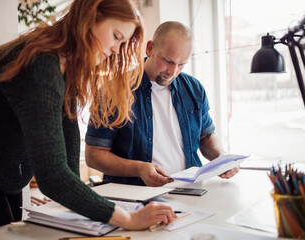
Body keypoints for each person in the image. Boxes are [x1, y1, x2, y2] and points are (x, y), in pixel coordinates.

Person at [0, 0, 176, 237]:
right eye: (116, 36)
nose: (116, 50)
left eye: (122, 43)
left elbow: (68, 162)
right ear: (89, 19)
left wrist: (91, 204)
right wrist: (128, 218)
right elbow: (52, 175)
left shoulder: (65, 65)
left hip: (7, 181)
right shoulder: (40, 63)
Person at [85, 21, 239, 187]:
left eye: (181, 64)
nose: (173, 72)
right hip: (137, 197)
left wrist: (221, 157)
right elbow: (94, 154)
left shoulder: (194, 89)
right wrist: (138, 169)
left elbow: (206, 136)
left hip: (190, 192)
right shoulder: (114, 90)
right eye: (168, 61)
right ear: (150, 48)